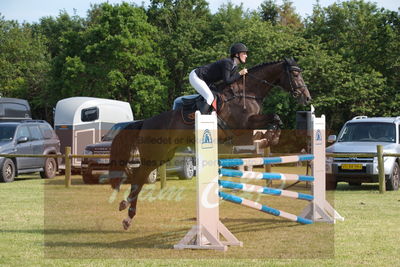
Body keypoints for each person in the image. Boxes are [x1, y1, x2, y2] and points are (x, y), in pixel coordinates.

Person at [189, 43, 249, 114]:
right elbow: (227, 81)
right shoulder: (228, 62)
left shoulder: (234, 66)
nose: (246, 56)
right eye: (244, 53)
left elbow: (231, 81)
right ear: (236, 55)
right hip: (197, 76)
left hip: (206, 80)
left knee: (218, 95)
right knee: (209, 97)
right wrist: (239, 73)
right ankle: (200, 119)